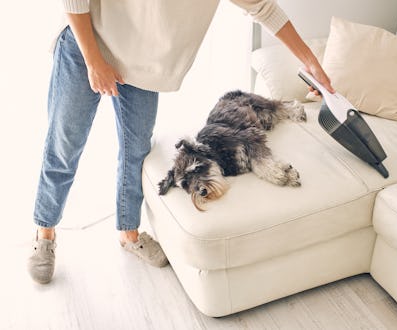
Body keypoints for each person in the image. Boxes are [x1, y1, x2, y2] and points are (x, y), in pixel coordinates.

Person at [28, 0, 335, 284]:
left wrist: (312, 64)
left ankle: (129, 233)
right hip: (86, 46)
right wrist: (94, 61)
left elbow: (265, 8)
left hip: (142, 67)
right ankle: (45, 233)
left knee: (136, 152)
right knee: (65, 146)